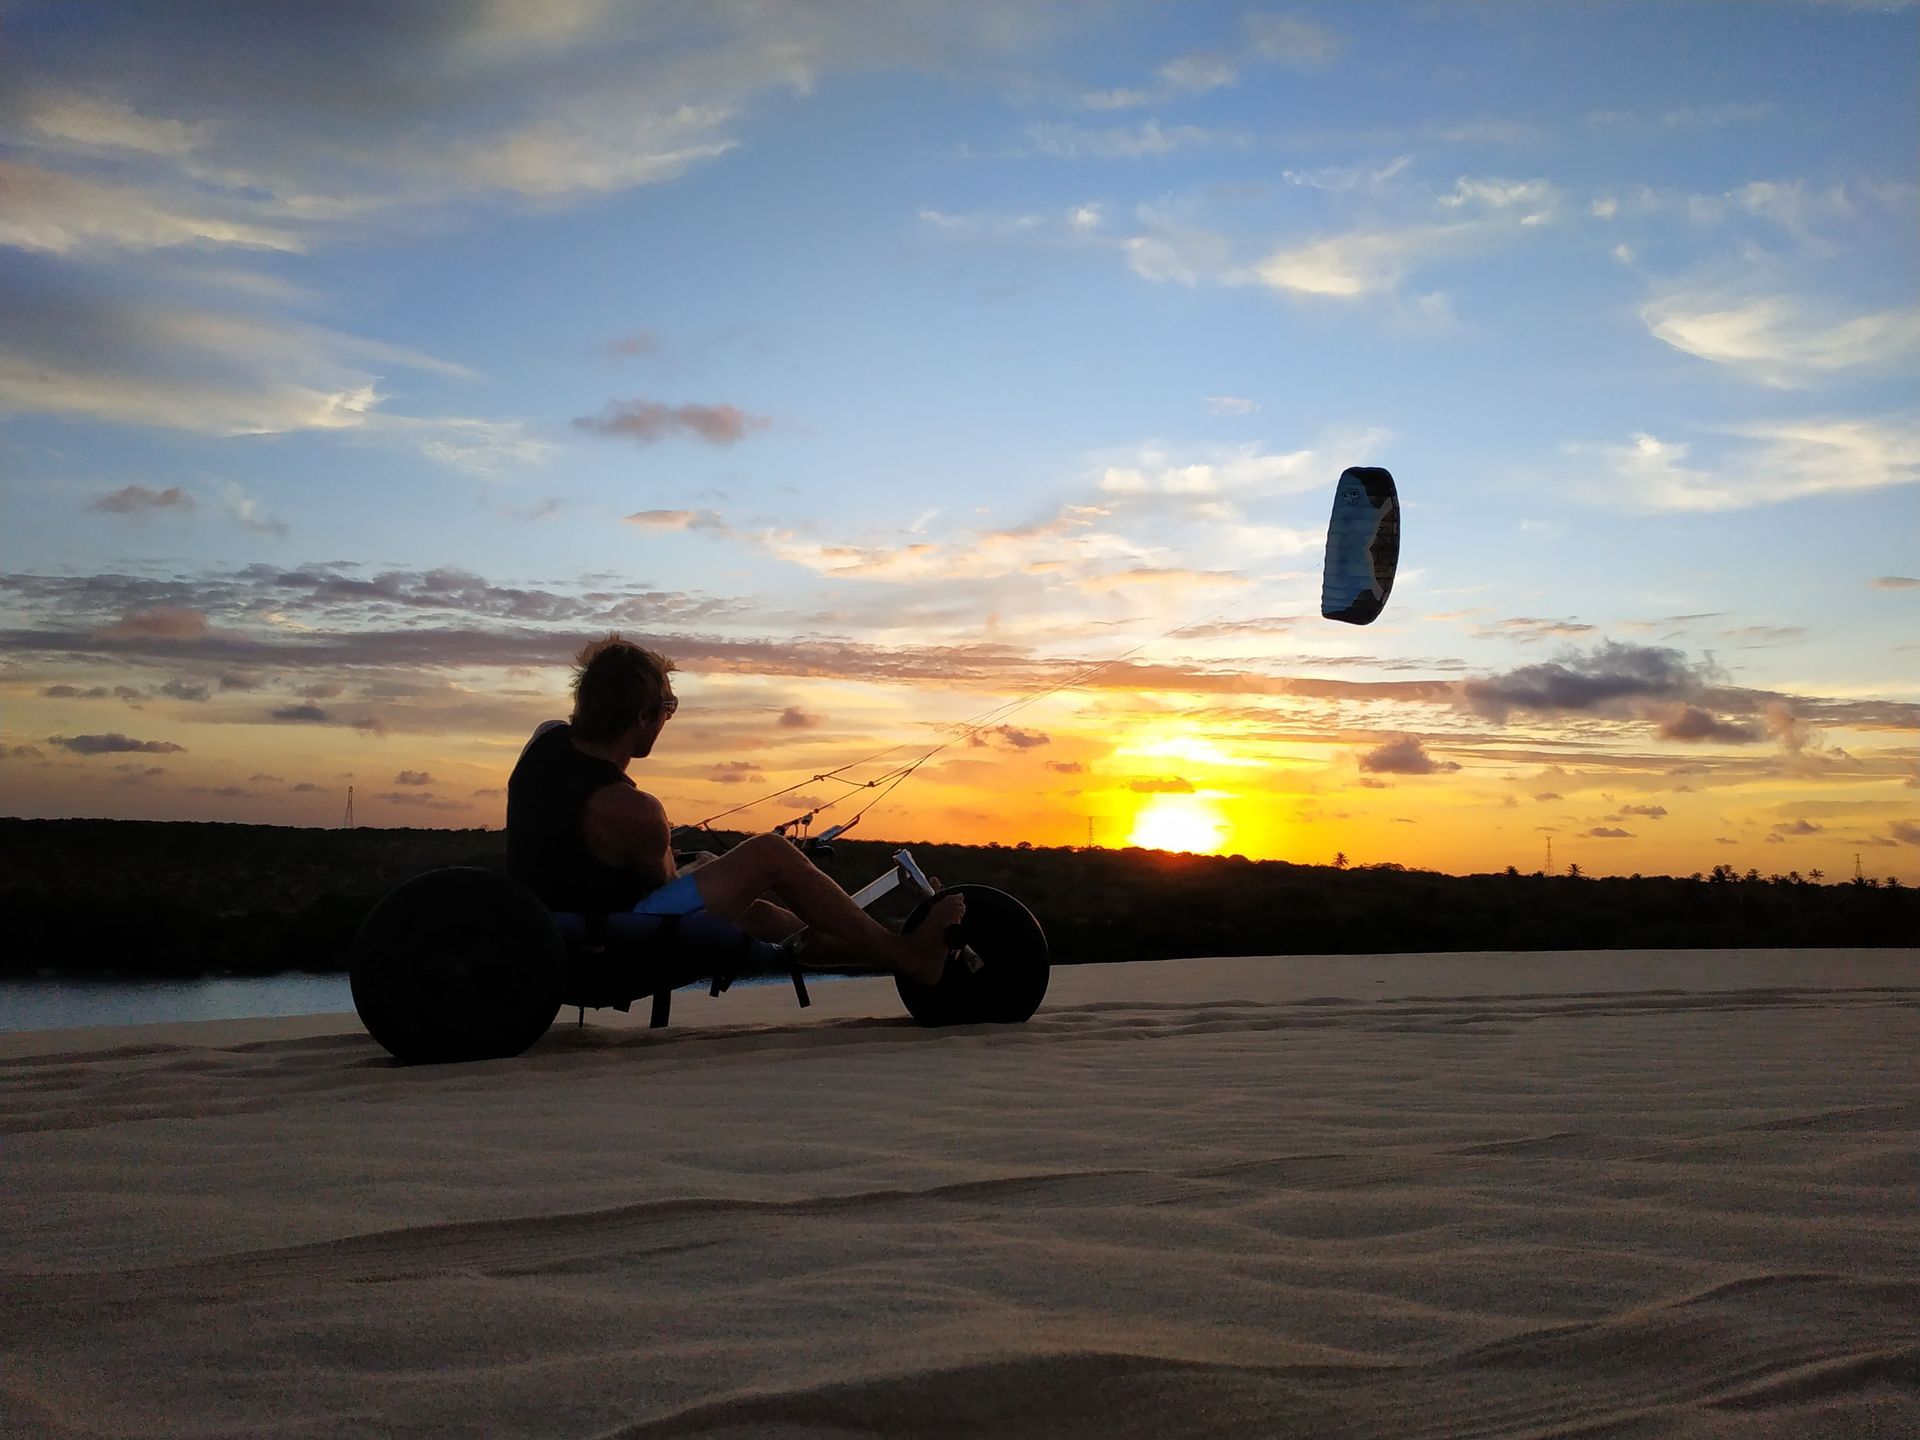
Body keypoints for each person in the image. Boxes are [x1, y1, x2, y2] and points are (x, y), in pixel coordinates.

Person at [506, 635, 960, 985]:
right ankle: (912, 958)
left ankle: (887, 946)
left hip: (546, 924)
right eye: (668, 708)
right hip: (606, 944)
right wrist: (706, 868)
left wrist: (706, 871)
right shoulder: (634, 811)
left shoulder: (545, 740)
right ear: (642, 717)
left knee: (760, 915)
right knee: (769, 854)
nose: (666, 720)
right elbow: (666, 887)